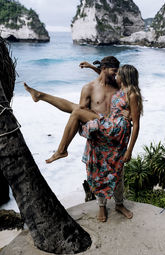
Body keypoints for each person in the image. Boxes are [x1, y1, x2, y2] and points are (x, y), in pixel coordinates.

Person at [24, 56, 143, 222]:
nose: (116, 76)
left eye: (118, 73)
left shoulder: (121, 88)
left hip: (114, 134)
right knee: (96, 171)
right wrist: (91, 68)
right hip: (100, 131)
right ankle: (101, 206)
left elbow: (133, 112)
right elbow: (104, 76)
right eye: (114, 72)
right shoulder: (95, 87)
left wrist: (129, 118)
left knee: (118, 174)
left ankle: (119, 203)